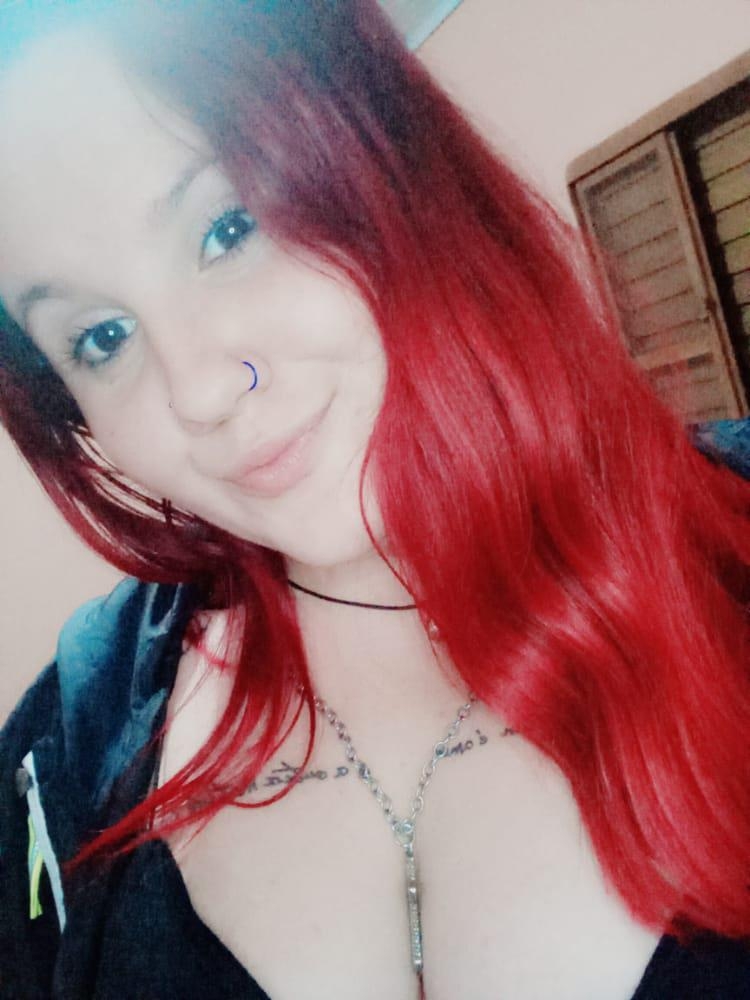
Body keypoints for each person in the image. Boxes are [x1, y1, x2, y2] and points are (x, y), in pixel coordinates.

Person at [0, 2, 749, 998]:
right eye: (102, 337)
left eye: (229, 228)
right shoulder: (63, 764)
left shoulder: (729, 540)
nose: (201, 389)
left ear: (388, 153)